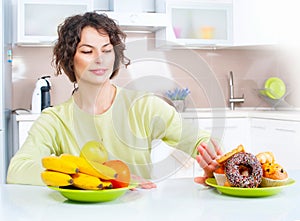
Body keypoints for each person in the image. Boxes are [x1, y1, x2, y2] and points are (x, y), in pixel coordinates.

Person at [7, 12, 221, 188]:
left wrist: (213, 162)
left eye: (107, 50)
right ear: (70, 59)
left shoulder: (144, 106)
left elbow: (196, 139)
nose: (100, 58)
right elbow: (18, 170)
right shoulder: (55, 120)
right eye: (87, 51)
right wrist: (102, 177)